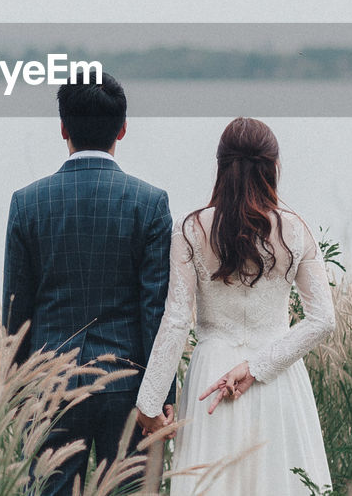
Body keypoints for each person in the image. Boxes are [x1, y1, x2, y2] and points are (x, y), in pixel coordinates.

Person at [134, 117, 336, 495]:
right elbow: (323, 321)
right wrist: (258, 366)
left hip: (211, 378)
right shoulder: (296, 231)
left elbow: (177, 320)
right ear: (273, 167)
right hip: (276, 377)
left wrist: (149, 402)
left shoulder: (192, 229)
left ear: (221, 166)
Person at [2, 72, 176, 496]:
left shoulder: (28, 203)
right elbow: (156, 311)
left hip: (50, 387)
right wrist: (162, 395)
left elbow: (14, 313)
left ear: (63, 128)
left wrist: (15, 394)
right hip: (130, 392)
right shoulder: (150, 204)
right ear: (122, 129)